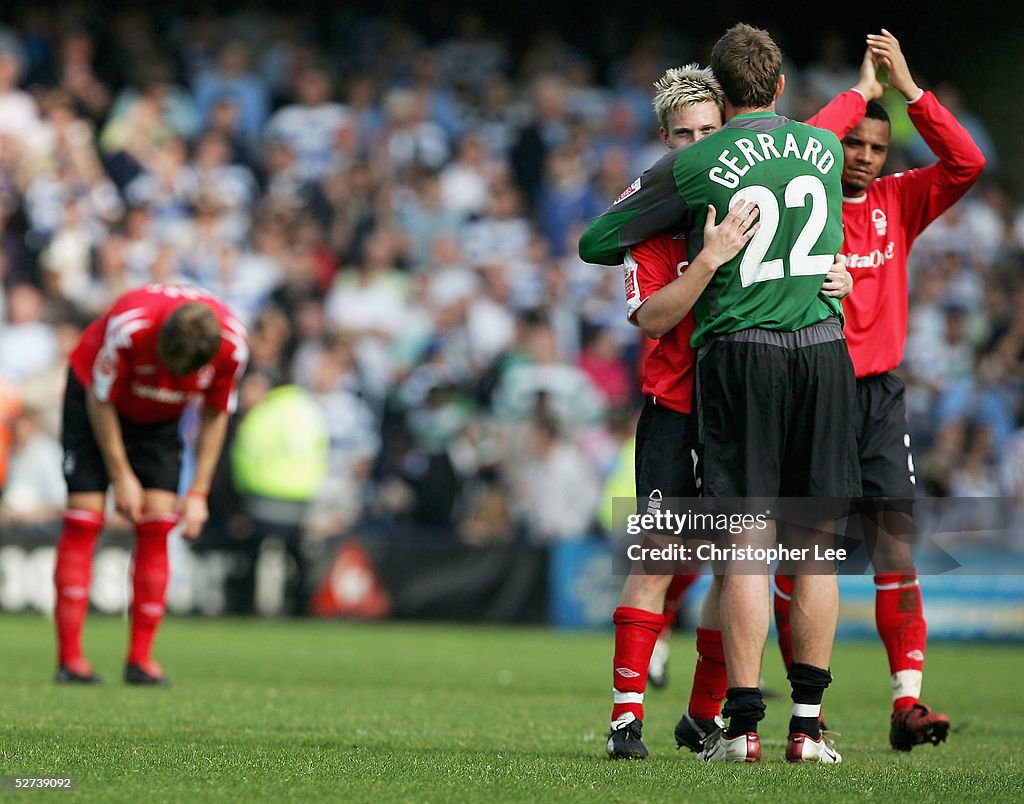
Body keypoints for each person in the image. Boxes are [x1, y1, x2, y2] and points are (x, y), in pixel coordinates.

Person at [583, 23, 854, 764]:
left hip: (736, 385)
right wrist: (704, 260)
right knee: (668, 557)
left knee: (739, 556)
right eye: (682, 134)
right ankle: (627, 719)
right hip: (680, 402)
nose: (696, 142)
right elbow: (645, 308)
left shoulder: (718, 174)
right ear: (666, 139)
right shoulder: (669, 213)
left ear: (725, 118)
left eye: (706, 127)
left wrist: (839, 269)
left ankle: (714, 719)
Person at [773, 29, 985, 751]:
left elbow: (969, 160)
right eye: (852, 144)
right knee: (806, 559)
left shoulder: (900, 200)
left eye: (875, 146)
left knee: (896, 551)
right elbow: (797, 143)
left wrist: (911, 92)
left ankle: (907, 705)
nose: (862, 156)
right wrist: (859, 93)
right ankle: (809, 707)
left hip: (880, 399)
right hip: (813, 388)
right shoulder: (800, 200)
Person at [54, 283, 248, 685]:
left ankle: (140, 662)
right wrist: (121, 474)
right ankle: (70, 660)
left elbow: (215, 413)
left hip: (158, 422)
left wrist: (198, 492)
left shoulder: (233, 347)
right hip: (95, 402)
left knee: (158, 522)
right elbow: (99, 398)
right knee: (85, 518)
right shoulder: (129, 326)